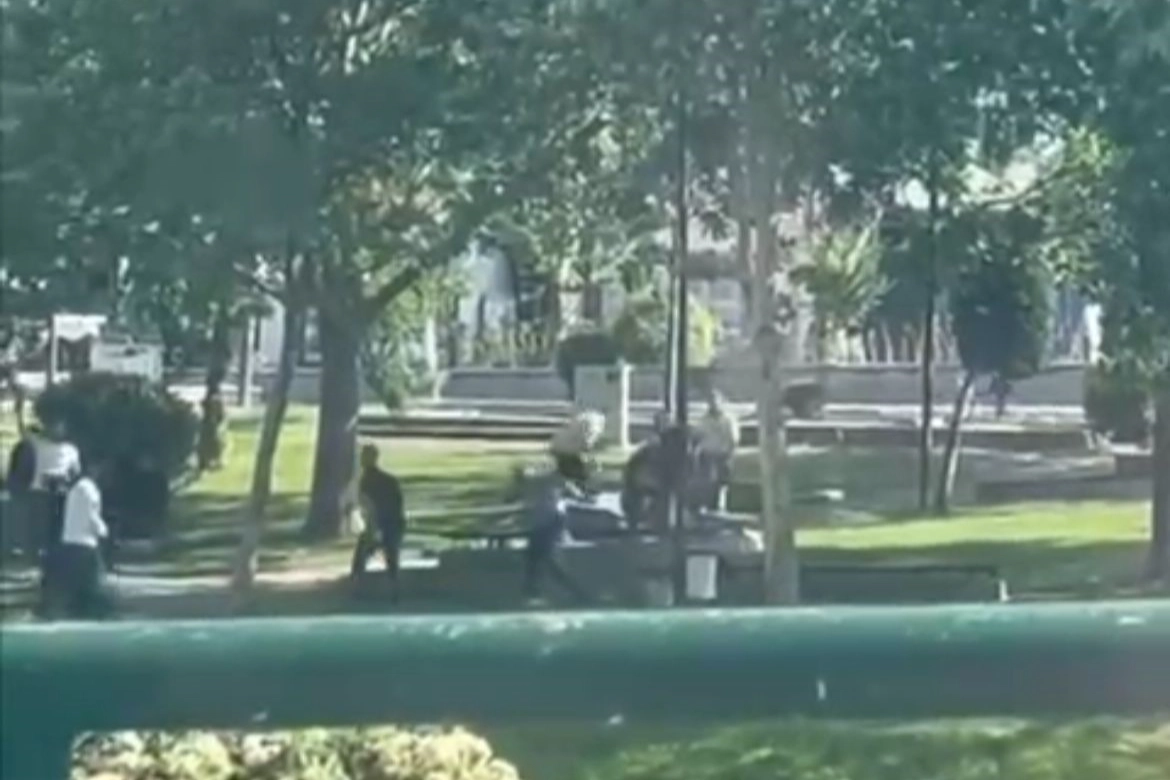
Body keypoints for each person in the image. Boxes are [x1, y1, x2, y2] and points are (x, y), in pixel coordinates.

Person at [521, 457, 591, 606]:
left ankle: (535, 593)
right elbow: (578, 495)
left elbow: (576, 494)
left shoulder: (554, 479)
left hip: (548, 522)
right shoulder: (556, 480)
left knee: (540, 559)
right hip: (546, 521)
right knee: (541, 559)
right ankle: (574, 592)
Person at [50, 462, 115, 619]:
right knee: (94, 579)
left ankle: (76, 609)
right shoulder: (90, 490)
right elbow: (91, 515)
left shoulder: (75, 489)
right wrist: (103, 530)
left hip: (70, 539)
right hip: (85, 542)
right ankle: (98, 611)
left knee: (76, 580)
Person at [349, 444, 407, 600]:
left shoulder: (367, 481)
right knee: (391, 558)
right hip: (394, 523)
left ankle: (356, 590)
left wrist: (373, 530)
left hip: (384, 524)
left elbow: (370, 507)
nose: (362, 460)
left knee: (361, 557)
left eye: (364, 456)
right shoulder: (388, 480)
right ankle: (394, 591)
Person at [695, 392, 740, 510]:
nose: (713, 404)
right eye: (710, 401)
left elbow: (734, 438)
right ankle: (707, 505)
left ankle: (720, 507)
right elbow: (697, 436)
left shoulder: (728, 419)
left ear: (721, 402)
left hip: (722, 455)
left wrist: (730, 454)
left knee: (722, 483)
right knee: (707, 482)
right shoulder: (703, 420)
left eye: (715, 401)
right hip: (707, 455)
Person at [548, 408, 605, 487]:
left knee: (568, 468)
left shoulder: (582, 419)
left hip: (558, 445)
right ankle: (575, 480)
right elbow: (587, 444)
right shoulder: (594, 425)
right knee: (579, 473)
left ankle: (566, 477)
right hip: (567, 449)